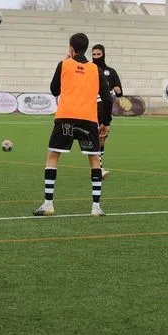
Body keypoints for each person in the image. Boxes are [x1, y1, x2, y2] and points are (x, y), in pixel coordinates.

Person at [34, 33, 113, 217]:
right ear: (87, 49)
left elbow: (54, 90)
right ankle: (96, 207)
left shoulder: (63, 64)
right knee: (94, 160)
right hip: (88, 119)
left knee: (53, 157)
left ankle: (48, 204)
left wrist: (65, 65)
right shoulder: (96, 69)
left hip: (65, 118)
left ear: (71, 48)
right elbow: (107, 99)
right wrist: (106, 122)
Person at [91, 44, 121, 179]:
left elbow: (119, 91)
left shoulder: (111, 72)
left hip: (106, 107)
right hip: (92, 105)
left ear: (103, 54)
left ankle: (98, 167)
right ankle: (98, 168)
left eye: (98, 54)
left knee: (102, 137)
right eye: (94, 54)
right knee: (96, 136)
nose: (96, 57)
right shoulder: (89, 69)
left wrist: (118, 90)